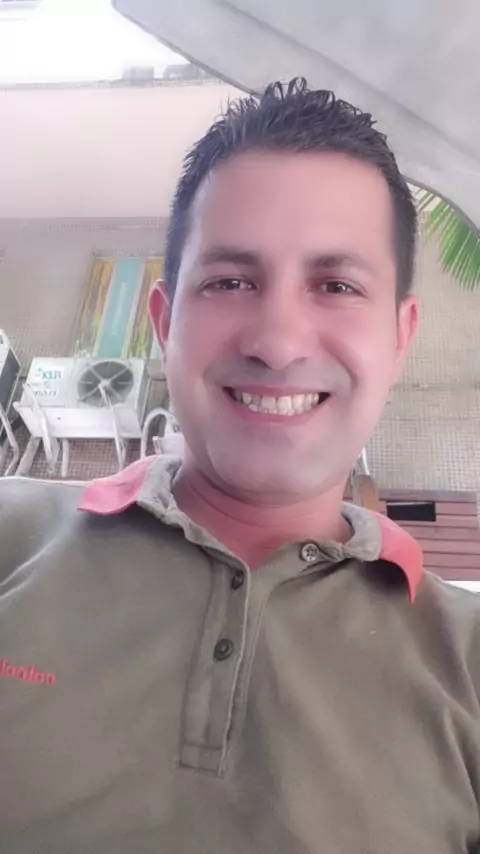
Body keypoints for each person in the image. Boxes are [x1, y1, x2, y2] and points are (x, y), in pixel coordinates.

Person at [1, 78, 480, 854]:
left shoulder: (468, 660)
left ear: (400, 338)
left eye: (336, 285)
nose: (278, 343)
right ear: (165, 324)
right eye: (229, 281)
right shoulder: (11, 538)